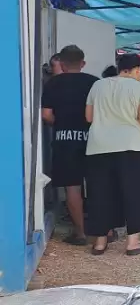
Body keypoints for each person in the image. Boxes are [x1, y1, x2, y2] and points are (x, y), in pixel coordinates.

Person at [84, 53, 140, 255]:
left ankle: (100, 242)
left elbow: (89, 117)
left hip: (98, 147)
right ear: (137, 69)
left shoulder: (98, 85)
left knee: (100, 193)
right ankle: (133, 243)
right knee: (134, 193)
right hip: (130, 146)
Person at [41, 45, 100, 246]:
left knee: (72, 188)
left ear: (62, 64)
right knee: (97, 186)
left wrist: (60, 124)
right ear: (82, 63)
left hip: (64, 140)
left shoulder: (52, 84)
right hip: (93, 140)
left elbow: (46, 115)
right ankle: (103, 231)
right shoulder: (95, 83)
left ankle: (80, 233)